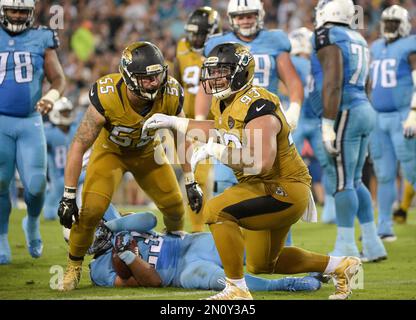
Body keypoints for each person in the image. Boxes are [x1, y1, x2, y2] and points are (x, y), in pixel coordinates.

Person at [143, 42, 362, 300]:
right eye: (212, 72)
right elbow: (217, 128)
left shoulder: (258, 105)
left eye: (221, 71)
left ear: (240, 72)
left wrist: (216, 151)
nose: (214, 78)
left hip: (282, 189)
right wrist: (174, 122)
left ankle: (236, 288)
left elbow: (261, 162)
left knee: (215, 210)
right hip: (264, 186)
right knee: (264, 264)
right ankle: (341, 266)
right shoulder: (226, 102)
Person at [56, 41, 203, 291]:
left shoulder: (171, 93)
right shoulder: (108, 94)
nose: (154, 82)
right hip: (110, 153)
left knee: (175, 206)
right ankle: (74, 266)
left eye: (157, 75)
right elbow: (79, 144)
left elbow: (181, 137)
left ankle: (172, 249)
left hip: (147, 153)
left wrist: (190, 179)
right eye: (147, 78)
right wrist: (69, 195)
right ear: (129, 77)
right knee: (91, 211)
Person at [195, 0, 304, 245]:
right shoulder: (217, 45)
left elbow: (292, 79)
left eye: (250, 15)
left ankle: (278, 250)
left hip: (264, 120)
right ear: (232, 18)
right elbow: (205, 87)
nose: (245, 20)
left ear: (260, 15)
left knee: (274, 185)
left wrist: (294, 108)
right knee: (225, 183)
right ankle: (229, 249)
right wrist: (200, 120)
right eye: (240, 15)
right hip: (231, 123)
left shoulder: (276, 40)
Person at [310, 0, 386, 261]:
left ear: (327, 12)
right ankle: (374, 244)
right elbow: (367, 82)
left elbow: (333, 81)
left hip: (345, 111)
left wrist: (328, 124)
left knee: (343, 183)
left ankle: (346, 247)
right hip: (364, 108)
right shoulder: (357, 37)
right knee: (355, 181)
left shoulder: (327, 34)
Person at [87, 212, 323, 293]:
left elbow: (150, 219)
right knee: (230, 284)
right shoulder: (99, 270)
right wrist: (128, 256)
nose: (96, 230)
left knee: (253, 254)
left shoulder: (117, 226)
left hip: (188, 244)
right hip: (182, 273)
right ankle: (287, 284)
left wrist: (114, 226)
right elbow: (154, 281)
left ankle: (317, 266)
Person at [0, 0, 65, 264]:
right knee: (0, 182)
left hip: (30, 120)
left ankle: (32, 222)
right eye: (12, 10)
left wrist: (50, 96)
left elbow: (58, 78)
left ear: (30, 13)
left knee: (37, 184)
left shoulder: (42, 37)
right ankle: (2, 236)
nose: (16, 15)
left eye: (21, 11)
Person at [368, 5, 416, 240]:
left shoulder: (410, 45)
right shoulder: (376, 46)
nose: (389, 27)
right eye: (387, 22)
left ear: (404, 25)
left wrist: (414, 111)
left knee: (412, 170)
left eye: (394, 23)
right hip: (378, 118)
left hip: (404, 115)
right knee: (384, 174)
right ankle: (384, 227)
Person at [173, 6, 221, 232]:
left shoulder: (220, 50)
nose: (194, 38)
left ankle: (204, 229)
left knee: (208, 178)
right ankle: (198, 229)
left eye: (200, 33)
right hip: (186, 121)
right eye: (192, 32)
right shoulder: (182, 47)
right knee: (192, 177)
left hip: (212, 124)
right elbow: (175, 80)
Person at [287, 27, 336, 224]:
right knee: (328, 165)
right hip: (315, 119)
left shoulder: (289, 61)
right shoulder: (317, 63)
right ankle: (331, 208)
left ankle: (289, 208)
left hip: (295, 120)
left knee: (287, 166)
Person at [44, 97, 78, 220]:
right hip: (58, 174)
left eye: (68, 112)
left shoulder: (75, 129)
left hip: (76, 171)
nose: (67, 114)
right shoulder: (49, 132)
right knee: (49, 214)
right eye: (64, 112)